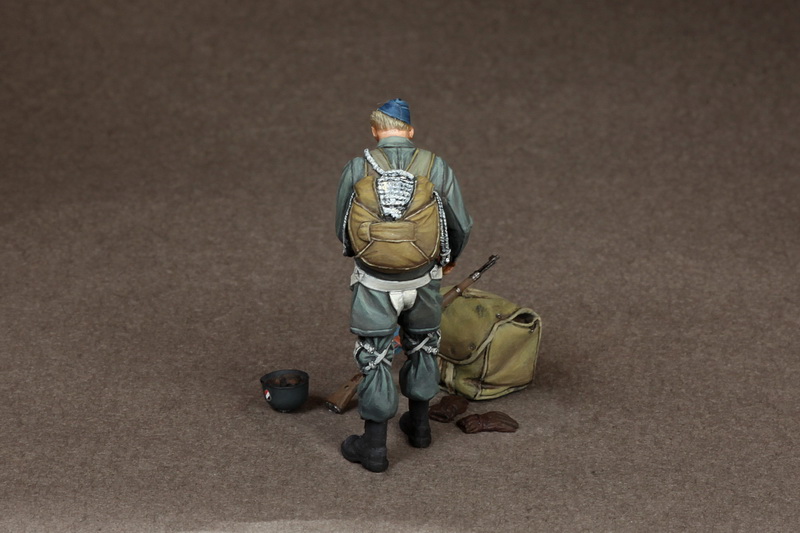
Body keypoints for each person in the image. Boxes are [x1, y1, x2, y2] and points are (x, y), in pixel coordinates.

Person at [334, 99, 472, 472]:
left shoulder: (358, 166)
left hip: (374, 282)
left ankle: (374, 448)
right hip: (424, 279)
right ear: (410, 131)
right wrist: (448, 259)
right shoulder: (435, 165)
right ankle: (421, 428)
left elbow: (342, 226)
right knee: (424, 347)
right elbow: (460, 223)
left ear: (375, 131)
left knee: (376, 356)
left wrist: (365, 254)